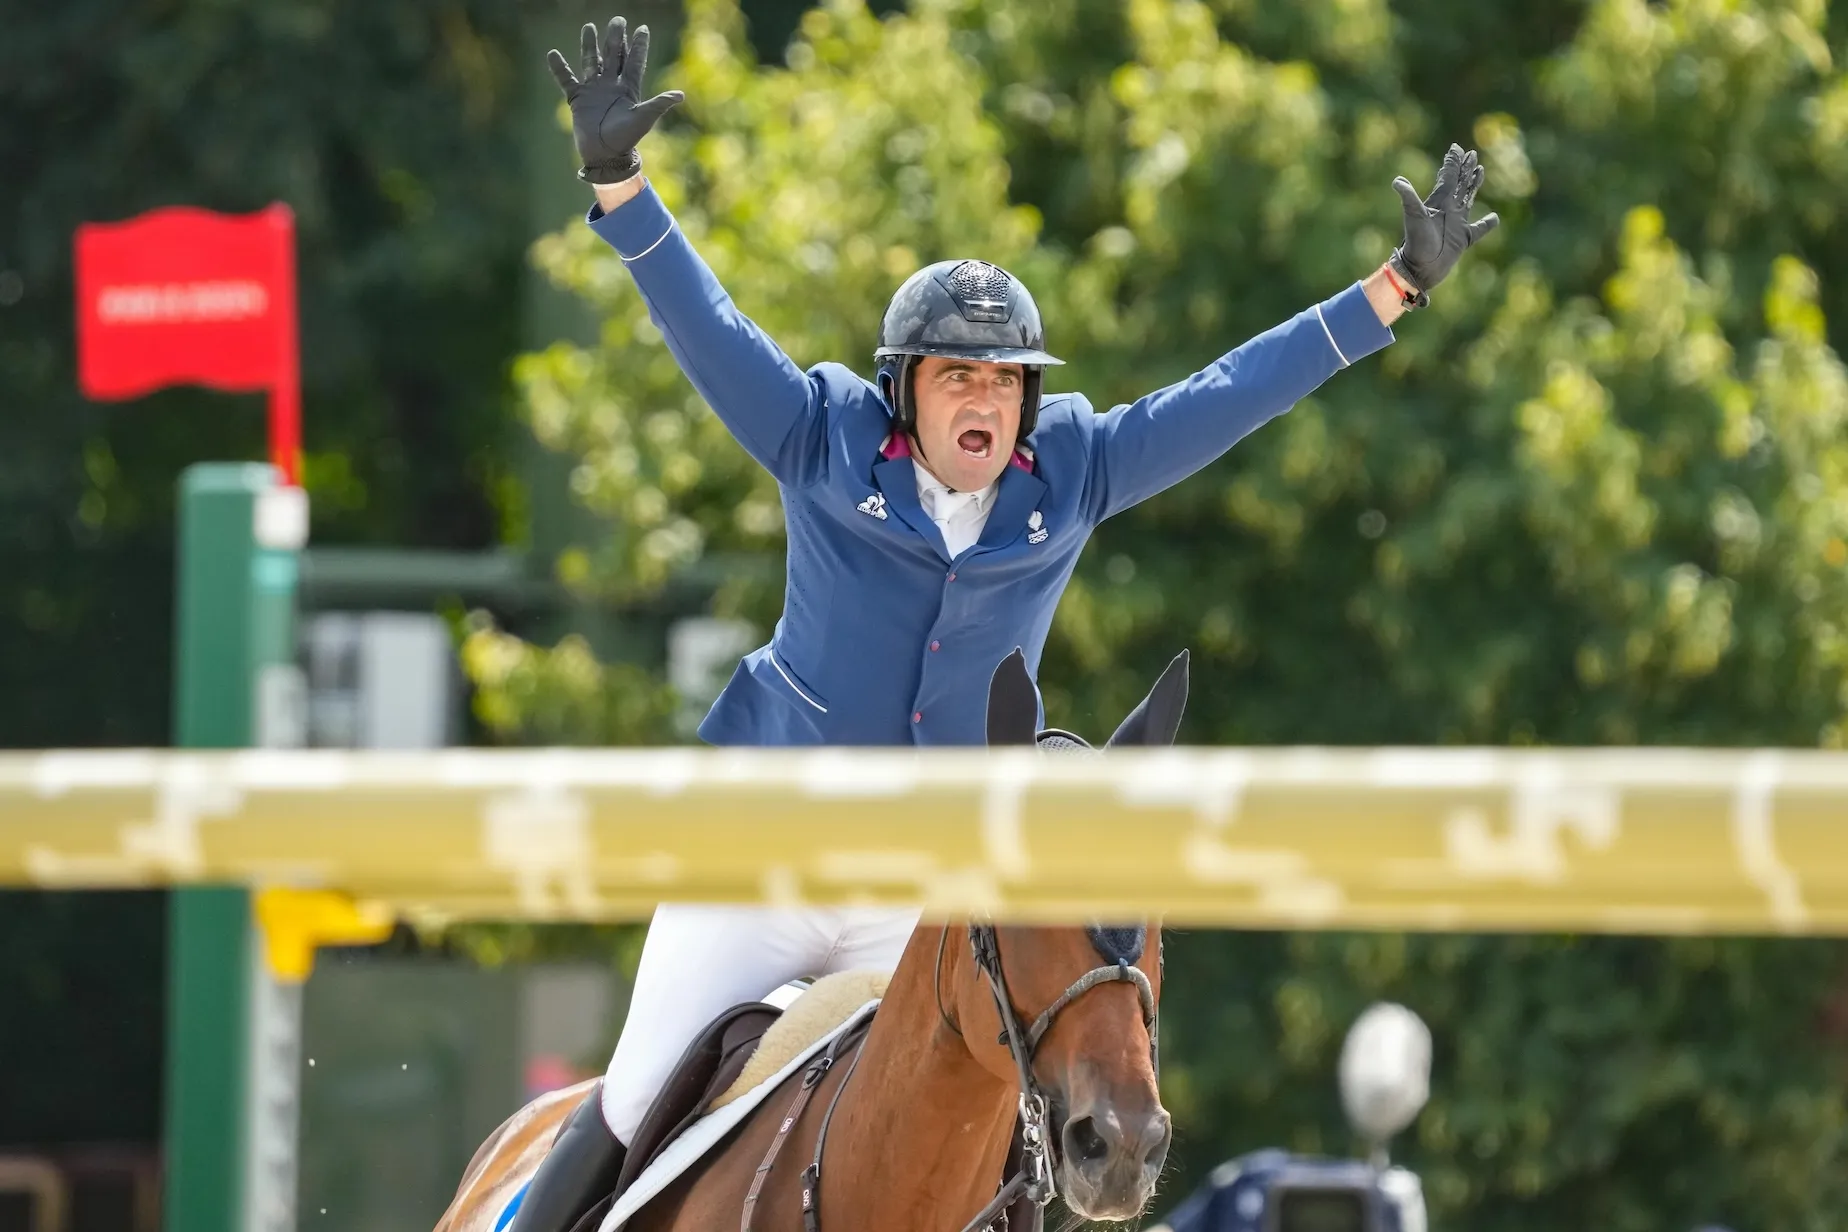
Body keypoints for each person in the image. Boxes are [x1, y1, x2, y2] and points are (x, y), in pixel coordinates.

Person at [506, 16, 1500, 1231]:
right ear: (903, 389)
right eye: (956, 377)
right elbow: (708, 326)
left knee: (989, 1133)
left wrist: (1388, 292)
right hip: (757, 846)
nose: (985, 399)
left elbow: (1225, 396)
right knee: (626, 1109)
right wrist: (618, 183)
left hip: (918, 888)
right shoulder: (818, 433)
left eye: (1005, 380)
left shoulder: (1070, 467)